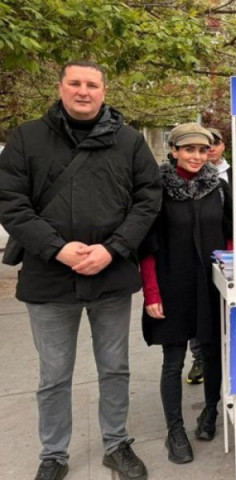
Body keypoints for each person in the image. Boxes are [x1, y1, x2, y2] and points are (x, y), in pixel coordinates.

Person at [0, 61, 160, 480]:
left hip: (110, 274)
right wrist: (57, 248)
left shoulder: (129, 142)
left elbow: (148, 199)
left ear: (104, 91)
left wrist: (114, 248)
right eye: (76, 83)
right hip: (49, 277)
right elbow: (10, 202)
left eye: (92, 84)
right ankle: (53, 454)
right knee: (53, 375)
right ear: (61, 88)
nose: (83, 91)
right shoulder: (27, 137)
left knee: (115, 367)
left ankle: (117, 444)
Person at [139, 123, 230, 464]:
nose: (195, 156)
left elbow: (229, 237)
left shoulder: (219, 188)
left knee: (212, 352)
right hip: (171, 285)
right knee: (173, 361)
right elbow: (147, 246)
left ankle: (210, 412)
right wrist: (151, 293)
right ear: (174, 150)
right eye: (188, 149)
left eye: (202, 150)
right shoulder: (157, 190)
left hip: (210, 284)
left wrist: (230, 280)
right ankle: (174, 430)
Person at [182, 126, 236, 386]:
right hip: (194, 256)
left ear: (222, 146)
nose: (209, 149)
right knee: (197, 309)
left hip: (231, 253)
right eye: (202, 144)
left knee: (226, 308)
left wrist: (230, 241)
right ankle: (199, 358)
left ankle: (228, 356)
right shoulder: (187, 175)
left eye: (214, 143)